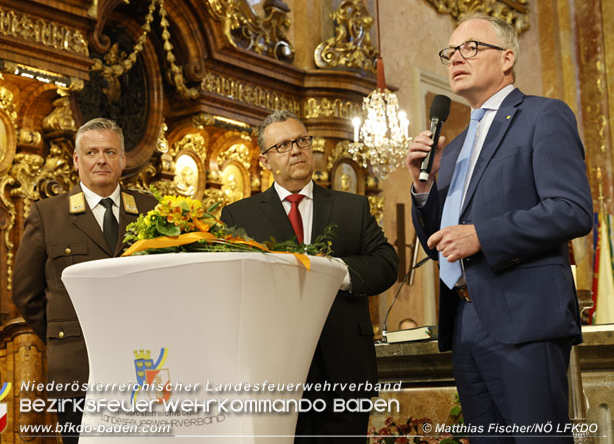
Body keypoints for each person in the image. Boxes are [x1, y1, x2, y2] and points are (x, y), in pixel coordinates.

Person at [405, 14, 593, 443]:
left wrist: (483, 235)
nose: (456, 58)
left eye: (470, 47)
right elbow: (440, 244)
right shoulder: (450, 152)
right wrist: (424, 186)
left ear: (507, 57)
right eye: (450, 52)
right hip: (467, 318)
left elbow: (572, 210)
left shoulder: (542, 116)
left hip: (524, 319)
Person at [221, 110, 398, 443]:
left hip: (344, 367)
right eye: (284, 145)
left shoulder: (352, 207)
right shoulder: (239, 215)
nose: (296, 150)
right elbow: (231, 285)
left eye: (302, 140)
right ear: (264, 160)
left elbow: (387, 264)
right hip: (274, 370)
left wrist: (334, 273)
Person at [12, 118, 157, 443]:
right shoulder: (48, 214)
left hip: (143, 365)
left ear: (123, 159)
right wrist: (65, 335)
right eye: (91, 152)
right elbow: (26, 293)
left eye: (109, 151)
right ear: (77, 160)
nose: (101, 160)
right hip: (78, 367)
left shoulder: (151, 210)